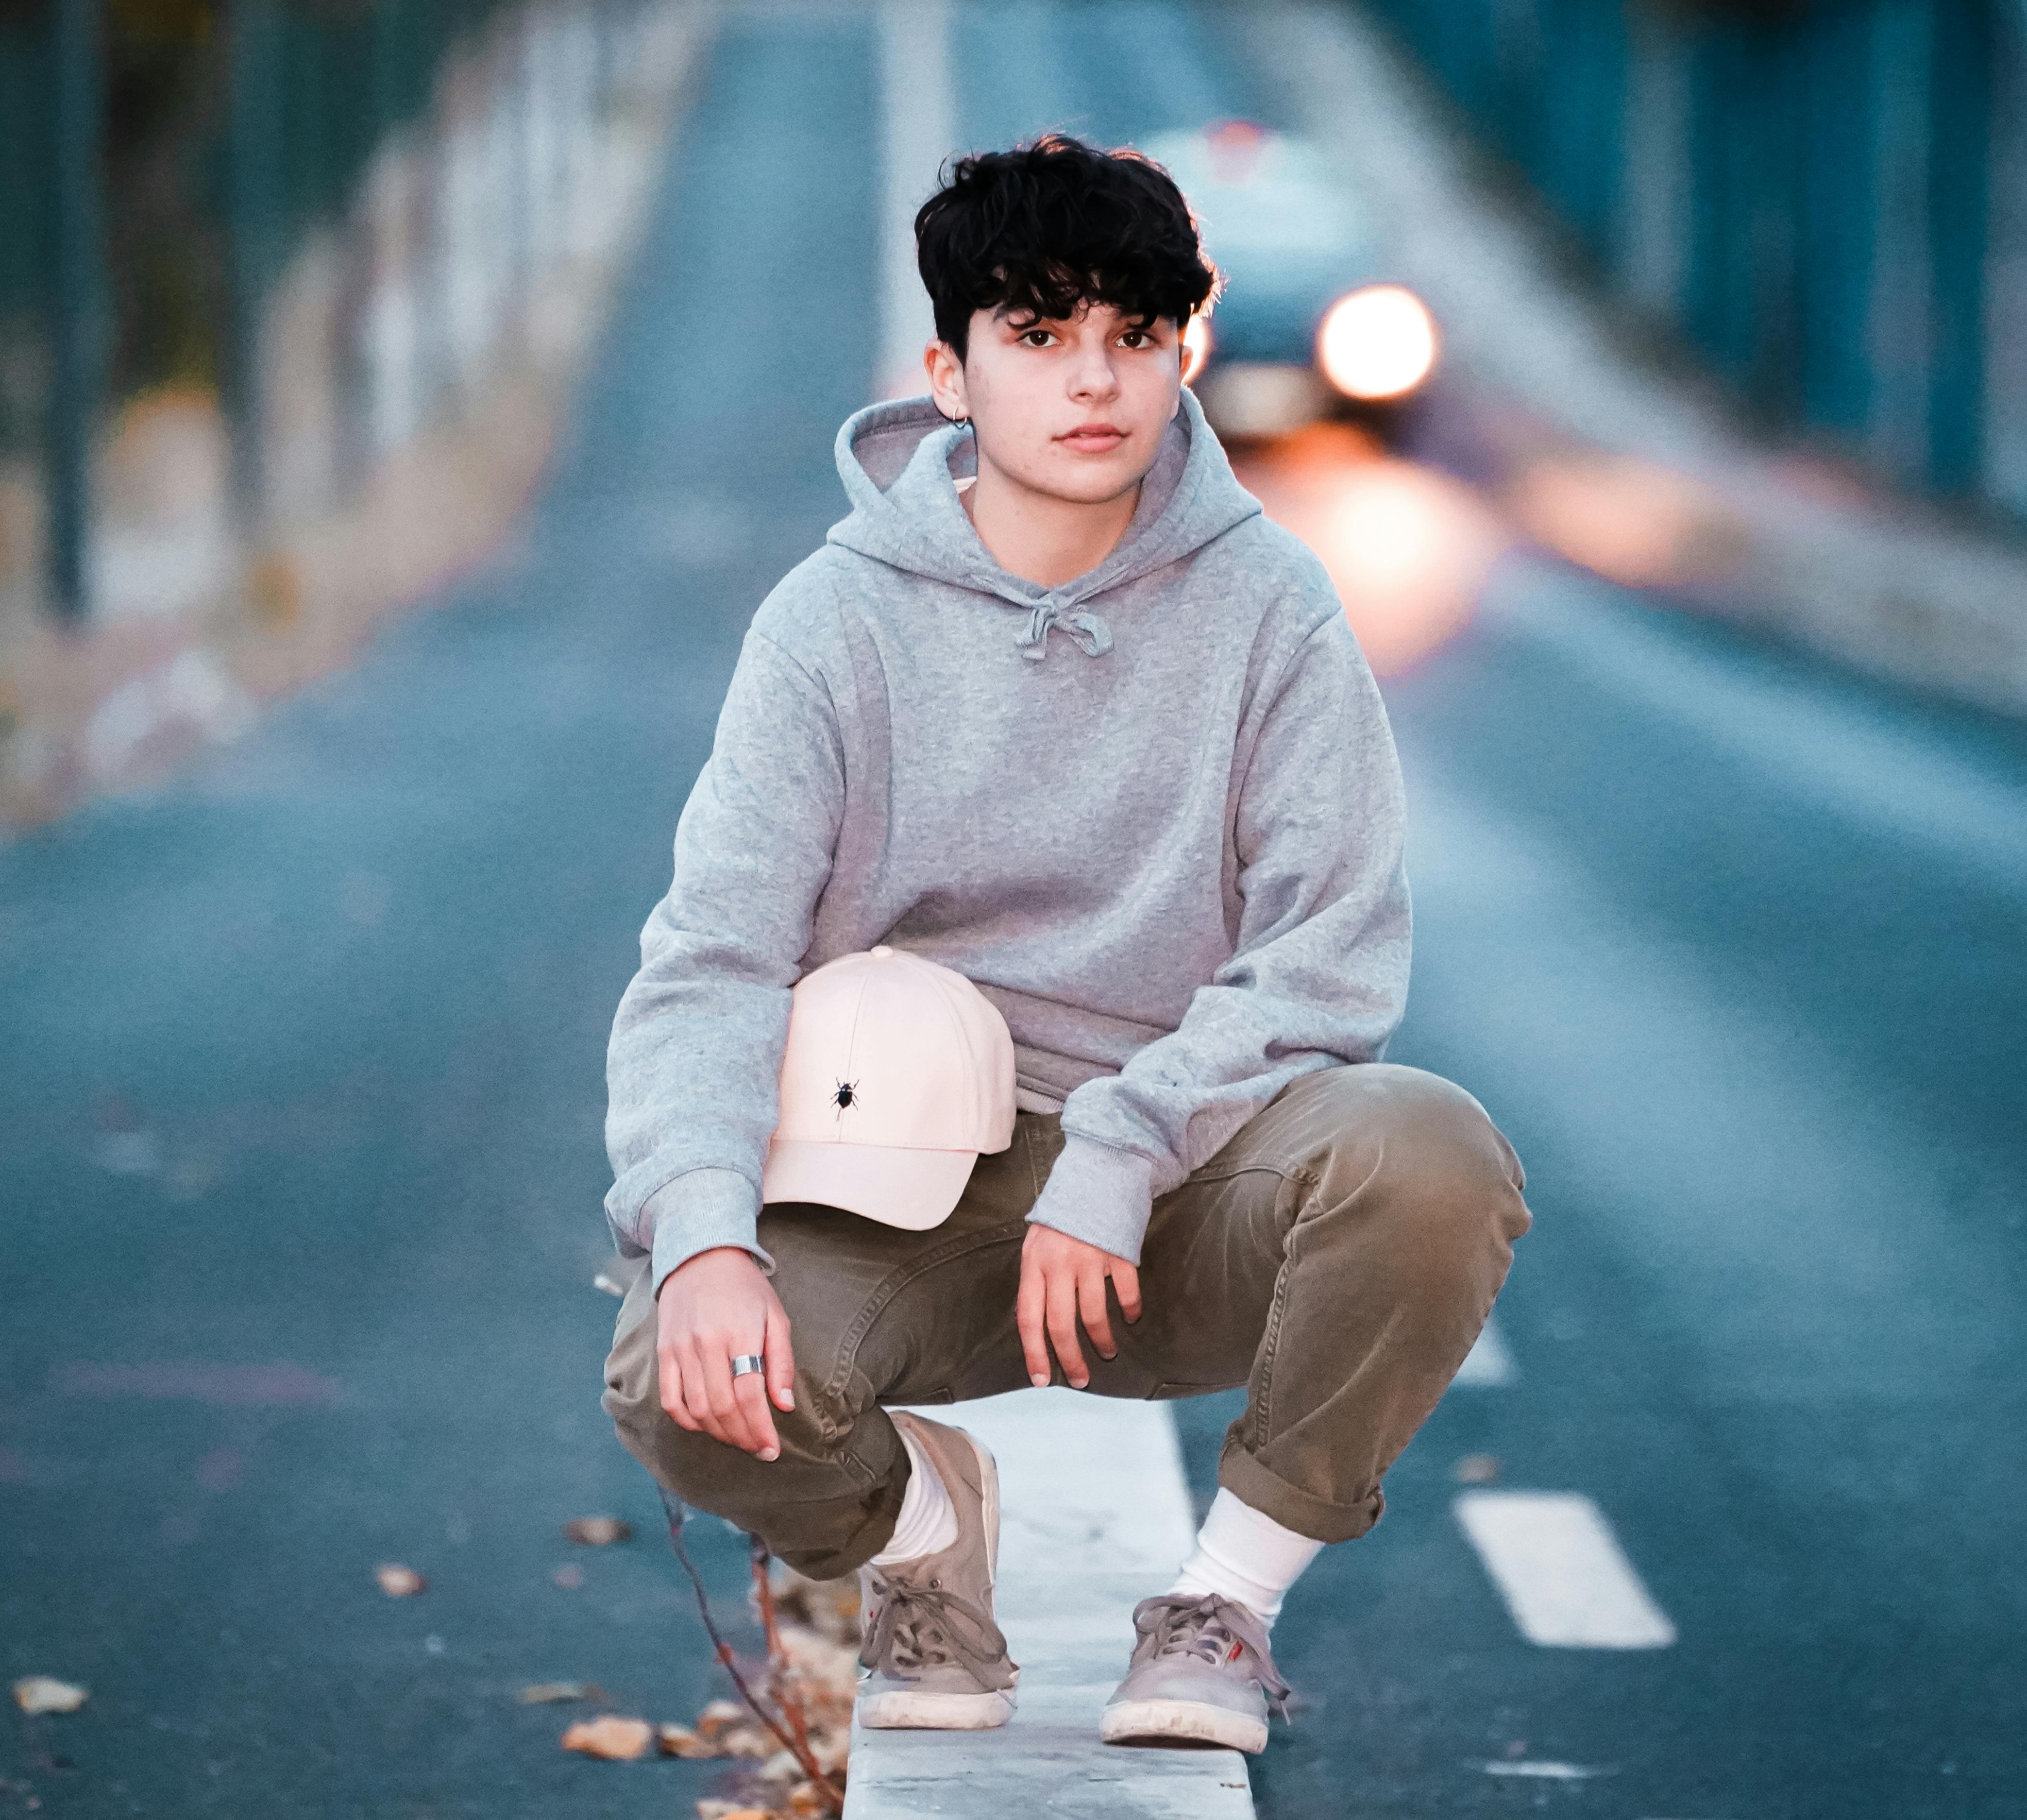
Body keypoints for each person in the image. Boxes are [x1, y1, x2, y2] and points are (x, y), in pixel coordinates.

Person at [599, 131, 1531, 1755]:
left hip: (1180, 1193)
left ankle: (1220, 1609)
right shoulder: (835, 623)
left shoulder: (1272, 607)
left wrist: (1119, 1147)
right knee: (674, 1375)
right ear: (949, 373)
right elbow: (716, 956)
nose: (1092, 381)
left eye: (1132, 336)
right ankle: (916, 1547)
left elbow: (1327, 959)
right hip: (906, 1185)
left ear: (1184, 349)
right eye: (1036, 337)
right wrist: (699, 1233)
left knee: (1429, 1150)